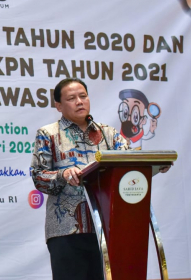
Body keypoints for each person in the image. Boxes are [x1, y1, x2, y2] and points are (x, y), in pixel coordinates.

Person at [30, 78, 129, 280]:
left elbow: (129, 162)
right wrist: (63, 175)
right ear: (59, 106)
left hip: (106, 230)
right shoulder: (48, 134)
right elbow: (38, 176)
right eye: (71, 98)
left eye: (83, 96)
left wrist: (152, 165)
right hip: (67, 230)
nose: (79, 102)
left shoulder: (108, 134)